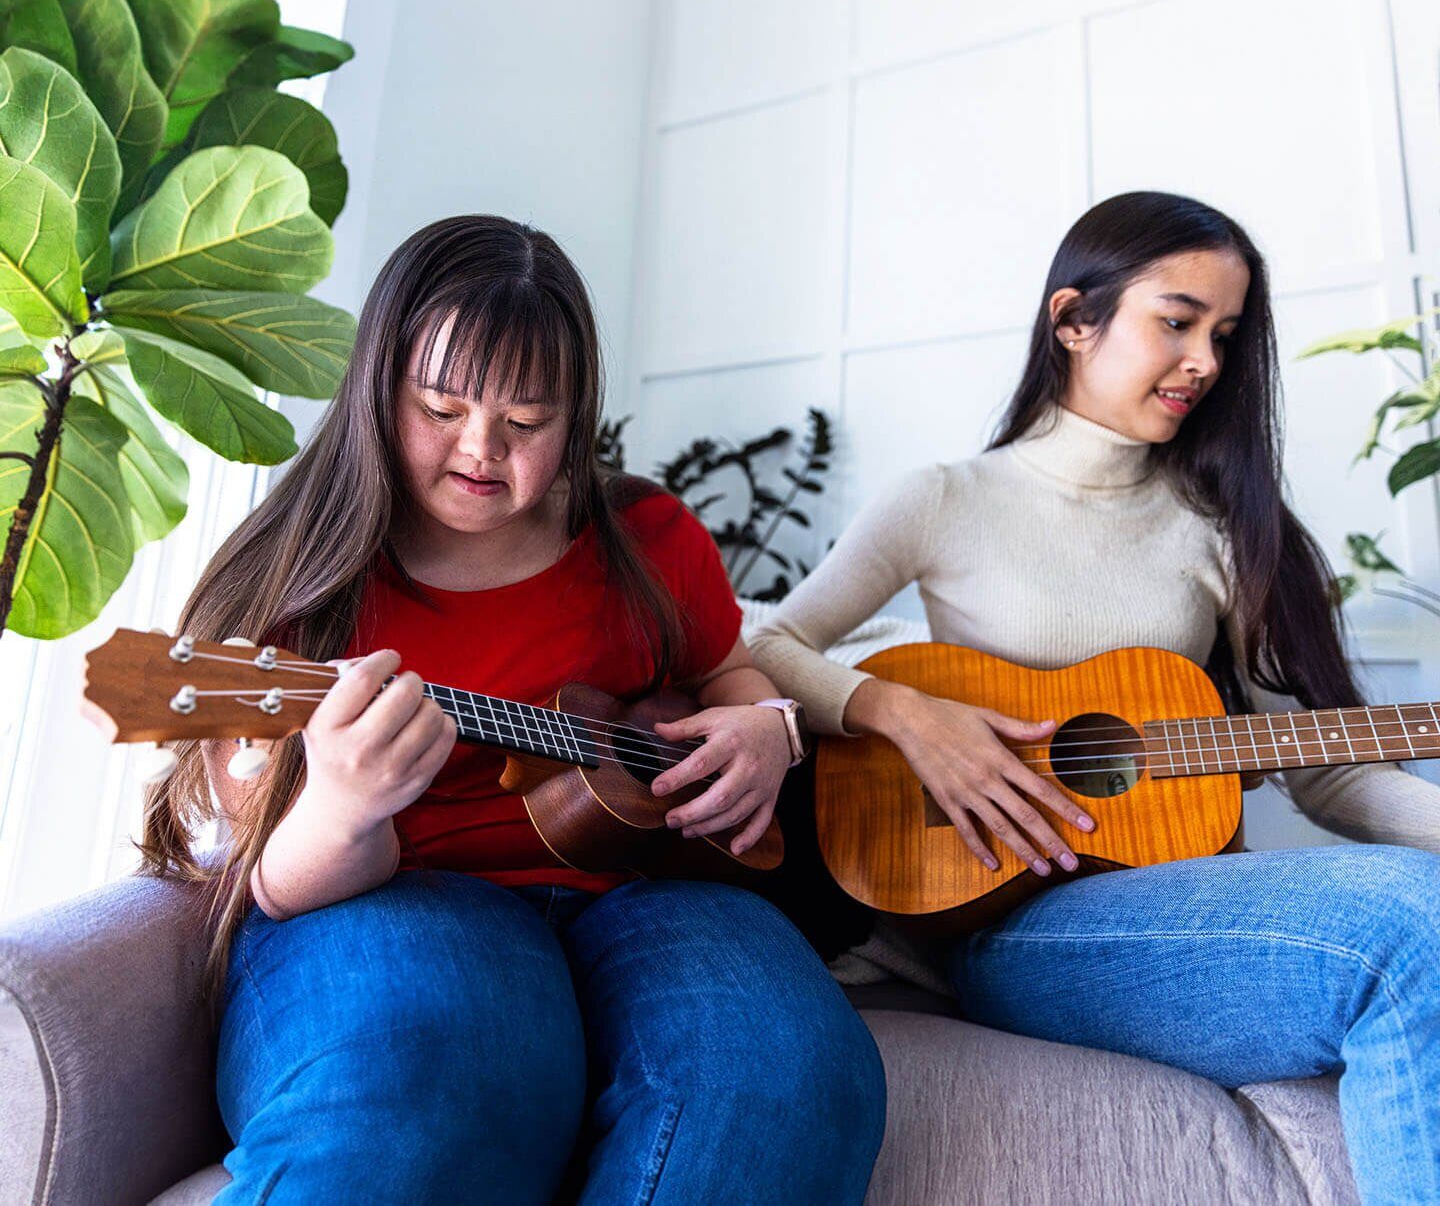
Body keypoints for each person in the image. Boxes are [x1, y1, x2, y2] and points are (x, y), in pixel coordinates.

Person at [138, 216, 885, 1204]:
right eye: (440, 407)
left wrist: (763, 727)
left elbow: (733, 677)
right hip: (400, 896)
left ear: (573, 419)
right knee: (448, 1083)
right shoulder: (299, 589)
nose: (480, 449)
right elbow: (272, 883)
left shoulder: (647, 536)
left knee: (786, 1081)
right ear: (378, 386)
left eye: (526, 424)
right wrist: (346, 808)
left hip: (655, 887)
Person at [749, 191, 1440, 1203]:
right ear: (1074, 319)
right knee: (1410, 926)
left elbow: (1324, 763)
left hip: (1174, 894)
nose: (1206, 359)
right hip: (1012, 923)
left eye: (1226, 334)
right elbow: (766, 644)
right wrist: (902, 713)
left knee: (1420, 913)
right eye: (1178, 320)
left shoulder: (1226, 530)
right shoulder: (945, 499)